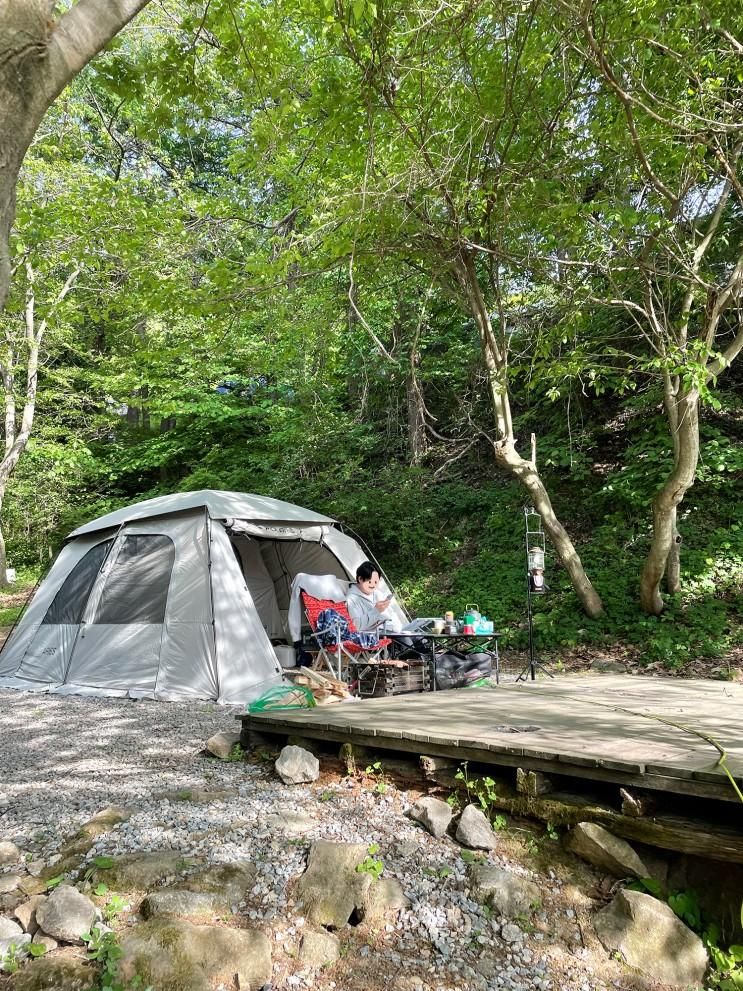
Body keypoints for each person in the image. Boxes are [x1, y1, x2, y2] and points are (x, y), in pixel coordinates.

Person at [346, 561, 399, 633]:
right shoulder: (351, 599)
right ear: (360, 579)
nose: (373, 585)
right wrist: (376, 611)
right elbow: (356, 626)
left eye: (376, 582)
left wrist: (399, 628)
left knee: (416, 638)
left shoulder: (378, 594)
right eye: (370, 582)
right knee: (406, 641)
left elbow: (392, 615)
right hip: (374, 637)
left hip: (391, 631)